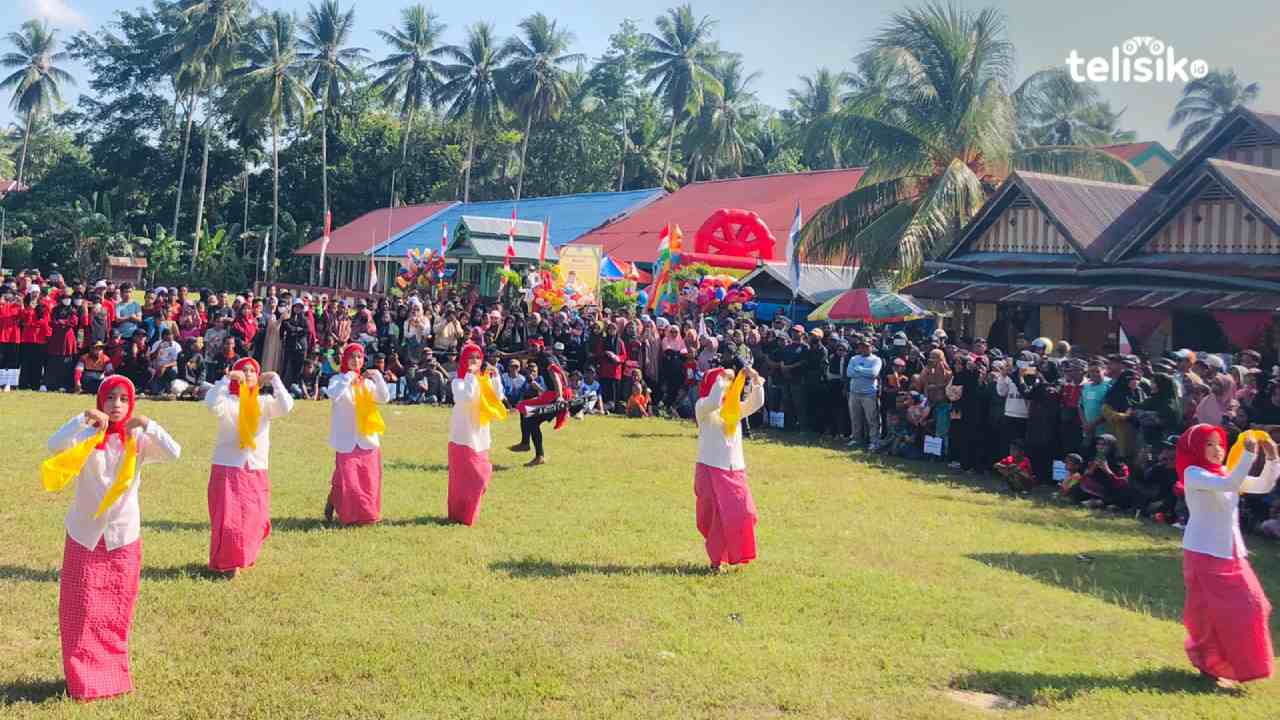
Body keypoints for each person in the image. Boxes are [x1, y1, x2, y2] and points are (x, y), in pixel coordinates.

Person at [41, 376, 182, 701]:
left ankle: (111, 677)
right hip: (85, 535)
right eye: (109, 398)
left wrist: (148, 423)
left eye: (122, 399)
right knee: (80, 611)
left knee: (115, 612)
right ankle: (81, 681)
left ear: (130, 404)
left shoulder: (139, 440)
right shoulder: (88, 436)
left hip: (122, 537)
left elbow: (174, 453)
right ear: (100, 402)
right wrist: (82, 419)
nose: (116, 405)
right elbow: (53, 445)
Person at [1178, 424, 1279, 685]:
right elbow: (1230, 483)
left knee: (1254, 605)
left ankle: (1235, 665)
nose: (1217, 449)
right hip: (1204, 551)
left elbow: (1263, 485)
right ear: (1196, 449)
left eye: (1219, 443)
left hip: (1231, 552)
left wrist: (1271, 457)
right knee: (1209, 615)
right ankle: (1210, 666)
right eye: (1209, 444)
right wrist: (1247, 454)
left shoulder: (1223, 471)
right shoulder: (1193, 473)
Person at [204, 358, 294, 577]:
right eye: (243, 370)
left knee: (256, 517)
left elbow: (286, 406)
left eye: (252, 371)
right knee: (228, 519)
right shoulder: (227, 400)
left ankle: (244, 555)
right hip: (228, 465)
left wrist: (274, 379)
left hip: (255, 467)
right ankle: (227, 562)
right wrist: (226, 380)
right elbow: (211, 403)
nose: (248, 374)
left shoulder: (264, 403)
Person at [693, 364, 766, 571]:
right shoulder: (703, 406)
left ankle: (735, 554)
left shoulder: (734, 409)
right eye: (725, 382)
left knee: (746, 513)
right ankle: (716, 561)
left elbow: (757, 402)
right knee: (714, 518)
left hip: (734, 471)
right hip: (709, 468)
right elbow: (715, 399)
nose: (728, 387)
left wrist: (754, 379)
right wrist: (721, 378)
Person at [324, 343, 390, 525]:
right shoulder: (337, 380)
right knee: (349, 480)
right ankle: (348, 514)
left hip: (367, 438)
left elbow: (384, 398)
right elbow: (334, 394)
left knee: (369, 480)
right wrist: (349, 377)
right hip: (346, 438)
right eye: (352, 357)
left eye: (359, 357)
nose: (356, 360)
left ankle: (367, 515)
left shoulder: (367, 384)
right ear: (345, 359)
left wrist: (377, 376)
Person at [447, 343, 506, 526]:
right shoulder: (458, 381)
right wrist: (471, 375)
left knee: (482, 476)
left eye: (478, 358)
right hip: (463, 435)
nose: (475, 361)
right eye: (471, 358)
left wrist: (495, 378)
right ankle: (459, 513)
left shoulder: (483, 379)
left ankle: (470, 512)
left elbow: (499, 397)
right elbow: (467, 397)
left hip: (480, 434)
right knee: (462, 479)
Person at [846, 337, 882, 449]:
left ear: (871, 347)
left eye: (866, 346)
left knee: (872, 418)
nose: (864, 348)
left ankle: (874, 441)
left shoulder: (876, 360)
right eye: (861, 346)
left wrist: (859, 369)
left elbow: (874, 373)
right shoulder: (853, 358)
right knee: (855, 417)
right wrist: (865, 372)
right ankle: (856, 438)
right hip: (854, 393)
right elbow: (849, 373)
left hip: (869, 393)